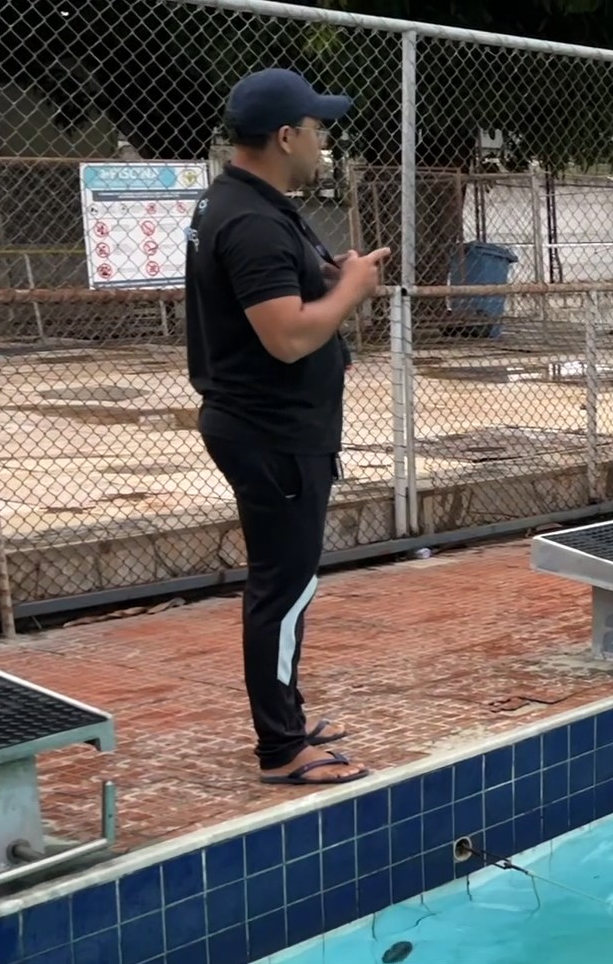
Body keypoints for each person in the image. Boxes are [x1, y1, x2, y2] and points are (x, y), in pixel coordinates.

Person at [186, 68, 390, 787]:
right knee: (285, 587)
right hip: (271, 432)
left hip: (272, 425)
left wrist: (330, 274)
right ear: (284, 136)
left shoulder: (253, 203)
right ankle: (280, 746)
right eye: (316, 129)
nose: (323, 141)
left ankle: (288, 720)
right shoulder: (251, 221)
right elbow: (286, 336)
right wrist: (350, 292)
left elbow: (286, 299)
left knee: (285, 583)